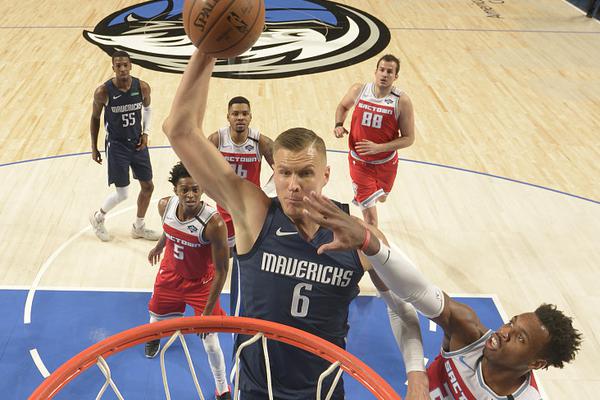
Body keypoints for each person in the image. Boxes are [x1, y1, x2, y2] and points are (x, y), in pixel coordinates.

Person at [162, 51, 429, 400]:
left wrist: (417, 374)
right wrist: (208, 50)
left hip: (323, 390)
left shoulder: (358, 236)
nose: (293, 185)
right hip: (257, 389)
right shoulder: (254, 214)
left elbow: (402, 306)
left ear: (326, 175)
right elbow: (179, 130)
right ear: (274, 173)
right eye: (284, 172)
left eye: (305, 173)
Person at [301, 191, 583, 400]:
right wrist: (370, 244)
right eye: (512, 323)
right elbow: (419, 292)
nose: (505, 332)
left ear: (535, 364)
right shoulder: (469, 333)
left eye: (520, 338)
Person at [146, 162, 231, 400]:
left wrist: (207, 313)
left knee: (210, 342)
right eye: (185, 190)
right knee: (155, 319)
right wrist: (159, 246)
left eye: (195, 189)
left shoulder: (214, 224)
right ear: (176, 190)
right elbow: (169, 229)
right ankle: (154, 339)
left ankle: (222, 387)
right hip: (170, 274)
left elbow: (222, 270)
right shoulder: (165, 205)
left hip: (201, 284)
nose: (191, 195)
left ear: (202, 189)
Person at [334, 54, 415, 227]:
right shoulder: (359, 90)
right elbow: (342, 106)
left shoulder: (401, 101)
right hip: (359, 163)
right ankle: (372, 244)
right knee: (370, 220)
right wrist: (339, 124)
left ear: (396, 76)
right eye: (382, 70)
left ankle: (378, 194)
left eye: (389, 72)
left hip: (386, 163)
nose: (384, 74)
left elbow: (409, 138)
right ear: (375, 71)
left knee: (382, 197)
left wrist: (379, 148)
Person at [88, 50, 160, 242]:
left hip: (137, 142)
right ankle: (98, 218)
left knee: (148, 186)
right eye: (118, 65)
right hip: (117, 145)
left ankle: (139, 227)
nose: (122, 69)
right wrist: (94, 147)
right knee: (122, 194)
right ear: (113, 68)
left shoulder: (142, 87)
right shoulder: (103, 92)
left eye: (125, 65)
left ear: (130, 66)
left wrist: (146, 133)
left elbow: (148, 109)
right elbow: (95, 118)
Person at [207, 96, 274, 248]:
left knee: (251, 247)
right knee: (228, 248)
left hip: (251, 204)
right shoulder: (217, 139)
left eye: (244, 114)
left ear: (250, 117)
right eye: (235, 114)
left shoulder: (261, 142)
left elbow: (282, 170)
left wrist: (266, 192)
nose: (240, 118)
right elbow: (199, 167)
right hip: (226, 203)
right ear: (228, 117)